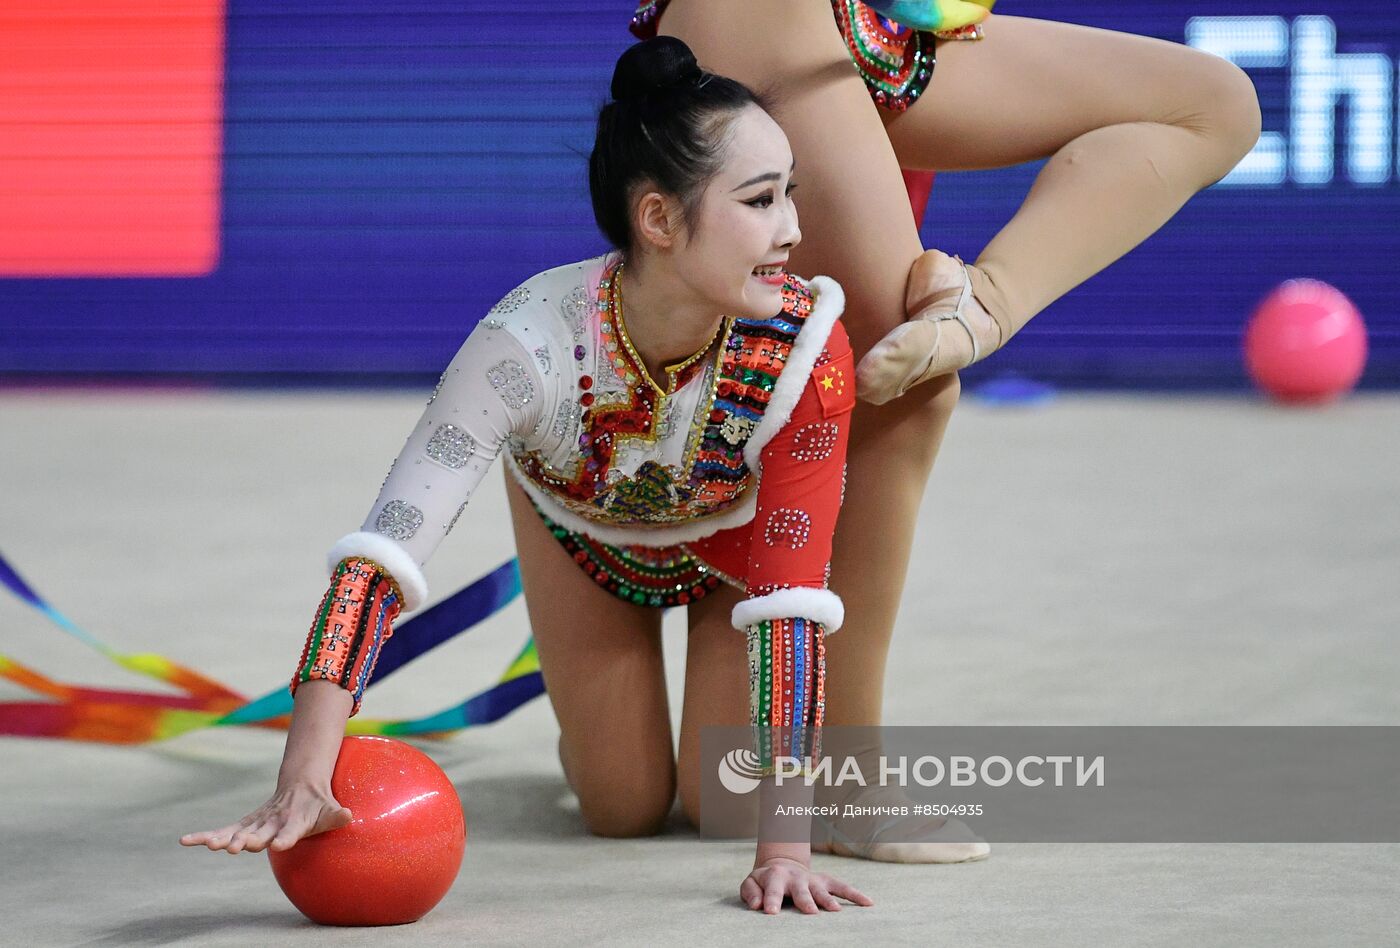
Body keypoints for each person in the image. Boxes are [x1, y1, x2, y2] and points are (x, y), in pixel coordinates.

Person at [179, 36, 934, 916]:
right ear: (658, 219)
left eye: (789, 195)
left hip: (736, 563)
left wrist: (785, 850)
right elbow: (385, 551)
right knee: (620, 810)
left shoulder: (808, 349)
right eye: (761, 201)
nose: (793, 230)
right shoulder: (525, 346)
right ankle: (602, 731)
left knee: (724, 808)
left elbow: (795, 594)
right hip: (580, 537)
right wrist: (305, 771)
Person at [635, 0, 1263, 860]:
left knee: (1211, 103)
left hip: (881, 23)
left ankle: (983, 302)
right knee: (901, 384)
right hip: (774, 13)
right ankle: (845, 784)